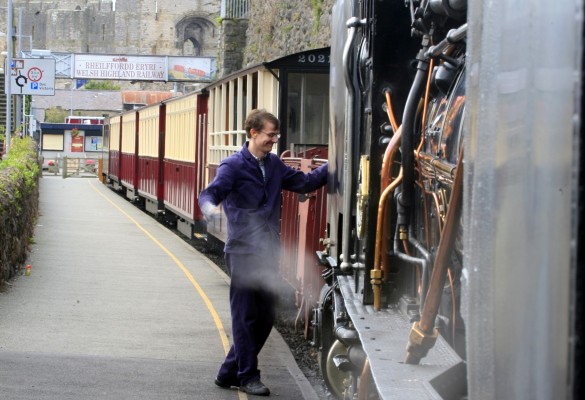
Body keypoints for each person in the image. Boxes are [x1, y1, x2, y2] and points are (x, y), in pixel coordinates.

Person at [199, 109, 328, 396]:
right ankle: (247, 376)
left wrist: (334, 166)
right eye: (270, 134)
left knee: (267, 316)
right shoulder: (232, 166)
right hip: (243, 251)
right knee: (245, 316)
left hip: (268, 251)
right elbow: (209, 194)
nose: (274, 139)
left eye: (276, 135)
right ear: (253, 133)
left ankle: (227, 372)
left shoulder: (273, 165)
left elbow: (304, 183)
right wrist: (210, 210)